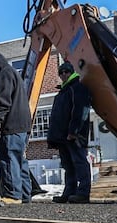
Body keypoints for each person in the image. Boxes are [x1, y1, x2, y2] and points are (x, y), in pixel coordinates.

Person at [0, 50, 33, 204]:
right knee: (19, 162)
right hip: (21, 127)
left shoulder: (4, 74)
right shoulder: (13, 74)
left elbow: (2, 100)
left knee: (9, 160)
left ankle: (12, 195)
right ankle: (24, 195)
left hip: (10, 127)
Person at [48, 62, 92, 204]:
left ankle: (83, 192)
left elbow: (80, 110)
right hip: (62, 137)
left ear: (71, 72)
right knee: (68, 165)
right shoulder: (63, 91)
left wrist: (74, 131)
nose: (63, 74)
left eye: (66, 71)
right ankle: (69, 192)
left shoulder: (77, 88)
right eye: (61, 72)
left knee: (79, 163)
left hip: (74, 135)